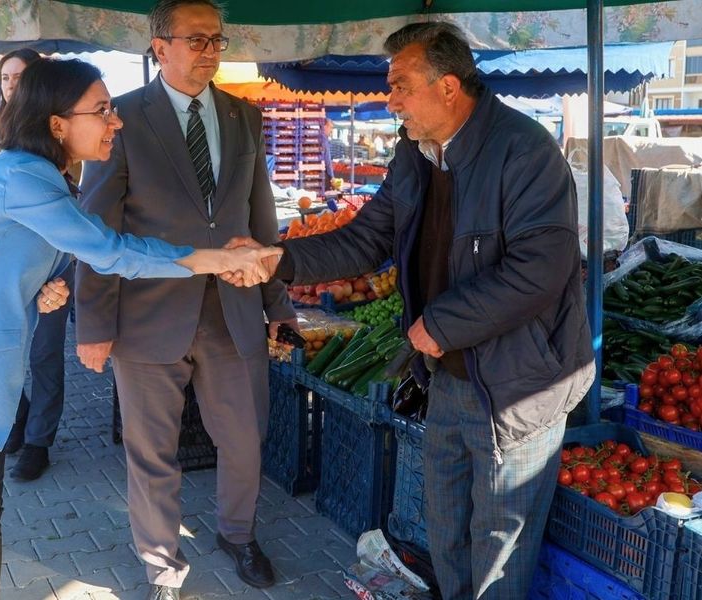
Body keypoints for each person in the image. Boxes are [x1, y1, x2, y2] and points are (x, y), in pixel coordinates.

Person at [0, 57, 277, 600]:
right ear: (57, 123)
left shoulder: (43, 176)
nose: (116, 121)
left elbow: (16, 255)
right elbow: (111, 251)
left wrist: (47, 284)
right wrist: (218, 260)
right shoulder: (21, 175)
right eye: (102, 111)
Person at [227, 22, 595, 600]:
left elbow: (541, 270)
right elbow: (364, 240)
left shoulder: (524, 150)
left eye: (400, 85)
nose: (390, 99)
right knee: (446, 530)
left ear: (448, 86)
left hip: (519, 382)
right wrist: (278, 259)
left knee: (500, 545)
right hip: (447, 378)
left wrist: (440, 324)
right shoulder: (415, 154)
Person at [74, 2, 295, 598]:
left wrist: (279, 306)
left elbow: (260, 216)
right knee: (152, 453)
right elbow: (97, 231)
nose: (209, 52)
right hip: (145, 318)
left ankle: (238, 533)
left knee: (245, 437)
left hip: (235, 310)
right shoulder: (121, 118)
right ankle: (162, 564)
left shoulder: (243, 116)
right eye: (195, 40)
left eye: (216, 41)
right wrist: (92, 323)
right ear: (159, 45)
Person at [0, 48, 72, 481]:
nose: (12, 84)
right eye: (6, 77)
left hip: (51, 261)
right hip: (3, 264)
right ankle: (18, 420)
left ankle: (38, 442)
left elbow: (74, 196)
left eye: (21, 76)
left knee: (46, 353)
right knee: (0, 348)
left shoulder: (61, 128)